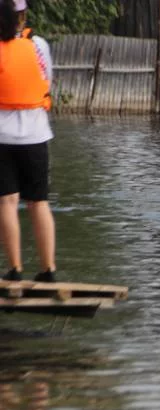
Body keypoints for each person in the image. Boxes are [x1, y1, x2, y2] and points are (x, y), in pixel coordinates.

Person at [0, 0, 57, 282]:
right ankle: (48, 270)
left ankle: (15, 270)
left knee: (7, 203)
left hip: (1, 136)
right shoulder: (38, 45)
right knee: (39, 202)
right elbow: (47, 82)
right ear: (22, 15)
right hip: (36, 134)